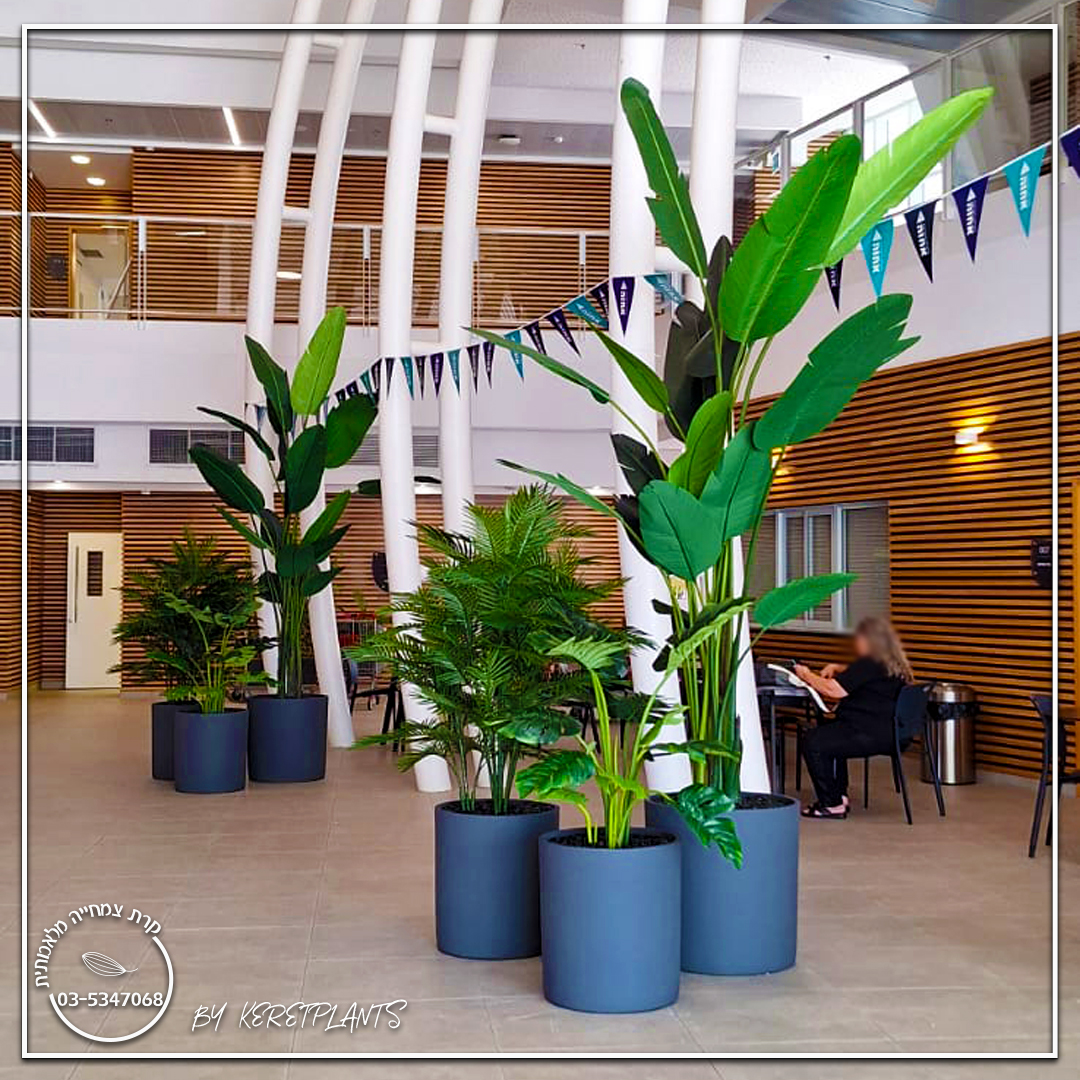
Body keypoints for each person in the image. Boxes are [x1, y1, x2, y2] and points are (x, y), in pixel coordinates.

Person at [794, 617, 914, 820]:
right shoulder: (893, 663)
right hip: (892, 732)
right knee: (830, 734)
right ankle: (838, 795)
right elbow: (865, 675)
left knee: (813, 742)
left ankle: (831, 804)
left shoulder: (870, 663)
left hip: (870, 733)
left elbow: (834, 690)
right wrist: (839, 667)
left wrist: (806, 675)